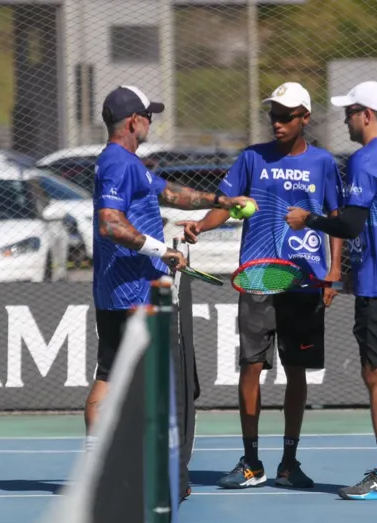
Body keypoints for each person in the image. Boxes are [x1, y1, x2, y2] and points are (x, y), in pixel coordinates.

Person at [177, 81, 344, 490]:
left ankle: (289, 461)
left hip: (305, 283)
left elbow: (337, 220)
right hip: (256, 278)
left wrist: (334, 271)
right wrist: (201, 223)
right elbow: (228, 205)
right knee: (251, 367)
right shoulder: (252, 158)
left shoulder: (323, 164)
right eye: (273, 114)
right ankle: (251, 461)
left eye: (286, 115)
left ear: (305, 118)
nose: (278, 122)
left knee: (296, 372)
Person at [285, 81, 377, 501]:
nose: (347, 119)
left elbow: (350, 224)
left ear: (367, 115)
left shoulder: (365, 159)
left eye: (350, 112)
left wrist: (307, 220)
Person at [84, 85, 254, 452]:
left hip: (129, 291)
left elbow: (172, 194)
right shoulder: (116, 162)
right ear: (134, 121)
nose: (151, 123)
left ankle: (107, 463)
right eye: (149, 116)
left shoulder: (130, 165)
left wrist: (222, 200)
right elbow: (109, 224)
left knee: (114, 375)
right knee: (136, 381)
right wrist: (162, 251)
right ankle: (125, 464)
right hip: (131, 293)